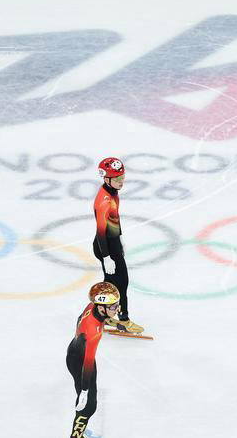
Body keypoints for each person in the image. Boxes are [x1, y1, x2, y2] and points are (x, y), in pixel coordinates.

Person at [92, 157, 143, 333]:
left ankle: (101, 314)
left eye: (123, 177)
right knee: (121, 283)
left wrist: (119, 238)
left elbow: (115, 218)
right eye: (118, 179)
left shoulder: (113, 192)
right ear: (106, 179)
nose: (122, 181)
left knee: (111, 284)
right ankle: (124, 319)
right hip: (105, 246)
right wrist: (107, 257)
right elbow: (100, 232)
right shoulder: (104, 200)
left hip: (112, 243)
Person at [66, 282, 121, 438]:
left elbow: (80, 320)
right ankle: (76, 436)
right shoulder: (93, 331)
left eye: (117, 305)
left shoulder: (92, 307)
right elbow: (88, 362)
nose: (116, 309)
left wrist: (115, 323)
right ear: (102, 308)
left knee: (89, 403)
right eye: (113, 306)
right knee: (88, 407)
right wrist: (84, 391)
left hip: (75, 352)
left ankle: (79, 430)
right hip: (80, 362)